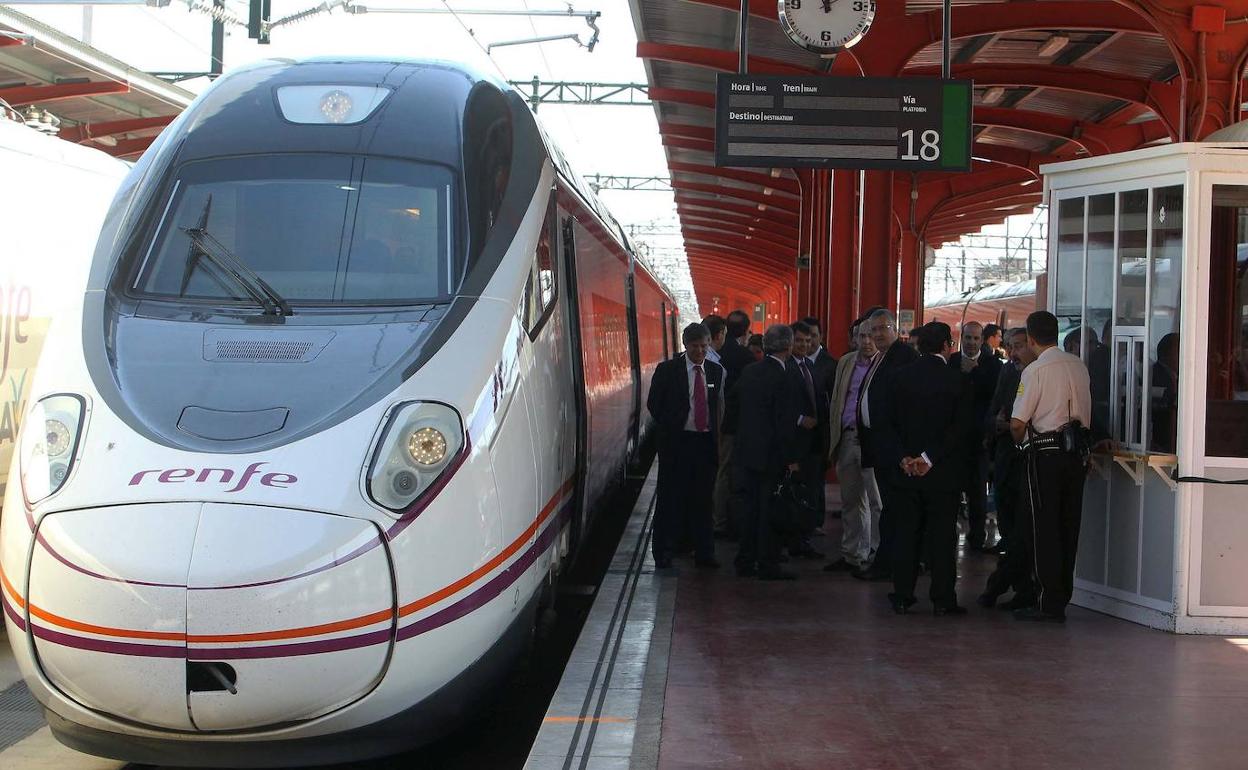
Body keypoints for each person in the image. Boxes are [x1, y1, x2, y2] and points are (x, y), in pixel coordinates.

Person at [874, 321, 974, 615]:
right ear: (947, 345)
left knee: (906, 533)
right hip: (942, 474)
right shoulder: (959, 382)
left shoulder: (896, 378)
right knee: (942, 537)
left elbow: (884, 424)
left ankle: (903, 594)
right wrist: (929, 458)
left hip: (904, 473)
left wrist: (904, 457)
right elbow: (961, 429)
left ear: (919, 345)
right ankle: (943, 599)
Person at [1011, 310, 1092, 622]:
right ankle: (1062, 596)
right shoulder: (1078, 365)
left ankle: (1047, 600)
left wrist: (1019, 444)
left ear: (1031, 339)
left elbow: (1018, 422)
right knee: (1069, 526)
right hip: (1077, 454)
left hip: (1045, 455)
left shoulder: (1035, 371)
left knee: (1043, 528)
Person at [647, 323, 725, 569]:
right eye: (695, 347)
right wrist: (672, 427)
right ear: (685, 345)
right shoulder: (667, 370)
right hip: (677, 444)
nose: (700, 351)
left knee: (703, 500)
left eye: (704, 346)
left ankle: (704, 552)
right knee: (670, 498)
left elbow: (718, 406)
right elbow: (654, 404)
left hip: (705, 443)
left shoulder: (715, 371)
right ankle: (664, 551)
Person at [852, 308, 919, 581]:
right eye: (872, 331)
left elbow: (902, 405)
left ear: (895, 328)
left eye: (882, 328)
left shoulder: (902, 358)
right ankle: (888, 561)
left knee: (893, 508)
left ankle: (891, 563)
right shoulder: (883, 357)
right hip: (880, 446)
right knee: (890, 506)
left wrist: (900, 449)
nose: (877, 335)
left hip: (894, 448)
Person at [730, 324, 799, 580]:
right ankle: (768, 563)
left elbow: (734, 407)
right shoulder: (785, 377)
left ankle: (744, 560)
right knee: (769, 509)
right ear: (788, 346)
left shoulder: (750, 371)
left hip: (746, 452)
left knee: (749, 509)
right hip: (772, 455)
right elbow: (784, 422)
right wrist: (791, 458)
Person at [978, 328, 1038, 609]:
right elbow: (993, 412)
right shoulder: (1008, 373)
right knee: (1009, 528)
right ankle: (1014, 586)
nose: (1012, 353)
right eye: (1010, 346)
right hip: (1005, 460)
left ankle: (1004, 586)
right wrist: (997, 424)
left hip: (1028, 463)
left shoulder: (1040, 374)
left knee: (1021, 533)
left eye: (1018, 346)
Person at [824, 320, 883, 572]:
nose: (867, 341)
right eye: (862, 336)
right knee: (850, 499)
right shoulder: (846, 362)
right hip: (847, 437)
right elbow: (838, 397)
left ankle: (877, 554)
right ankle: (852, 553)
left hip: (872, 440)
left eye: (871, 336)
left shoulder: (885, 364)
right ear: (854, 339)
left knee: (876, 501)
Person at [948, 321, 1002, 551]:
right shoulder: (951, 362)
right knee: (950, 488)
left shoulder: (993, 365)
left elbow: (993, 397)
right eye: (967, 338)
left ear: (982, 340)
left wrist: (974, 373)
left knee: (978, 490)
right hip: (953, 440)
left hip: (979, 439)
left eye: (975, 338)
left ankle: (977, 535)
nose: (970, 342)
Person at [712, 310, 757, 538]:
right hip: (741, 425)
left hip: (718, 422)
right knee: (735, 472)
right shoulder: (746, 357)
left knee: (722, 471)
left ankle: (718, 519)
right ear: (747, 330)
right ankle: (731, 520)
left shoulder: (717, 356)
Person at [786, 321, 824, 559]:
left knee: (808, 491)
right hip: (794, 441)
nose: (804, 345)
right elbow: (778, 405)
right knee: (793, 493)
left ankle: (803, 538)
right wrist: (800, 419)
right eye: (799, 341)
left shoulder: (810, 367)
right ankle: (793, 539)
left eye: (808, 341)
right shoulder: (786, 368)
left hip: (812, 442)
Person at [801, 316, 837, 534]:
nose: (809, 341)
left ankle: (815, 522)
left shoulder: (831, 365)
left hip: (820, 432)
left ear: (821, 337)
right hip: (798, 433)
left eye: (813, 336)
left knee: (816, 480)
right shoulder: (793, 362)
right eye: (805, 338)